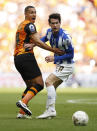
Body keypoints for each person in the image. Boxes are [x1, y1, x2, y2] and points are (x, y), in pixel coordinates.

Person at [14, 6, 64, 119]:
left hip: (17, 58)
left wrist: (34, 44)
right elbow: (38, 41)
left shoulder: (21, 25)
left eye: (35, 13)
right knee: (39, 84)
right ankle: (23, 101)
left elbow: (34, 41)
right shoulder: (30, 25)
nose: (34, 15)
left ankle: (21, 113)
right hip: (26, 57)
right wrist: (53, 50)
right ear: (25, 14)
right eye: (31, 13)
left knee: (30, 86)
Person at [36, 13, 74, 119]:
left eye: (57, 23)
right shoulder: (49, 32)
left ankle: (51, 110)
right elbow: (42, 40)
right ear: (49, 24)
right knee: (53, 86)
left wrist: (54, 58)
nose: (55, 25)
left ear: (60, 23)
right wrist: (33, 44)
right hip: (60, 65)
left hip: (67, 65)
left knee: (48, 81)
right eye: (53, 23)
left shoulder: (65, 37)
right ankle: (49, 111)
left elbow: (71, 55)